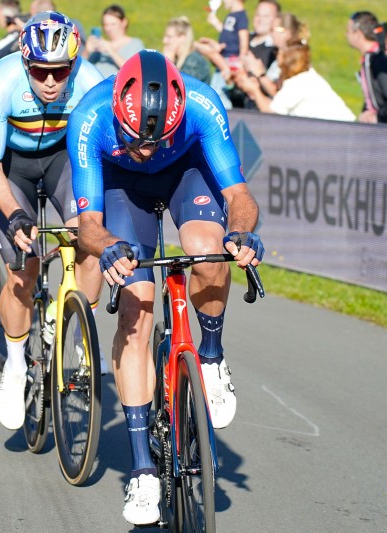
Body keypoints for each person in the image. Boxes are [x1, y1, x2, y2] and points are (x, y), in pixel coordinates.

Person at [67, 50, 264, 525]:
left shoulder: (201, 104)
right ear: (118, 113)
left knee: (208, 247)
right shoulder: (89, 119)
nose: (149, 150)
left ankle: (211, 356)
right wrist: (110, 246)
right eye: (137, 140)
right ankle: (141, 469)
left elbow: (239, 196)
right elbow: (87, 224)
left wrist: (240, 233)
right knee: (136, 306)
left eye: (159, 139)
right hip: (118, 189)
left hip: (186, 174)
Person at [0, 11, 103, 430]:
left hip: (66, 158)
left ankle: (82, 334)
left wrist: (88, 219)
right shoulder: (2, 81)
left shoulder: (89, 80)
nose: (50, 81)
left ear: (73, 64)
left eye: (60, 71)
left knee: (91, 239)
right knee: (22, 268)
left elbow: (101, 156)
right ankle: (14, 365)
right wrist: (14, 216)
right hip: (14, 167)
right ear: (25, 63)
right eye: (40, 71)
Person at [239, 42, 355, 121]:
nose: (276, 58)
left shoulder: (299, 83)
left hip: (342, 134)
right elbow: (279, 100)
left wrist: (255, 91)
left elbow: (272, 112)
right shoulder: (304, 77)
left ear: (286, 60)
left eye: (278, 54)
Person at [346, 11, 387, 125]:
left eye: (348, 31)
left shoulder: (381, 60)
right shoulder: (369, 60)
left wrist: (377, 117)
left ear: (359, 34)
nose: (346, 35)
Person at [83, 4, 144, 77]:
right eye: (106, 25)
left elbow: (135, 71)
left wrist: (111, 51)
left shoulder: (135, 44)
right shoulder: (99, 47)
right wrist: (87, 51)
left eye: (113, 24)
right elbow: (80, 69)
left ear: (124, 22)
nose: (108, 28)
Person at [162, 16, 211, 85]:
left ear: (182, 38)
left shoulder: (194, 61)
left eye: (169, 37)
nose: (164, 41)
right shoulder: (177, 59)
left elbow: (181, 88)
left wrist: (167, 65)